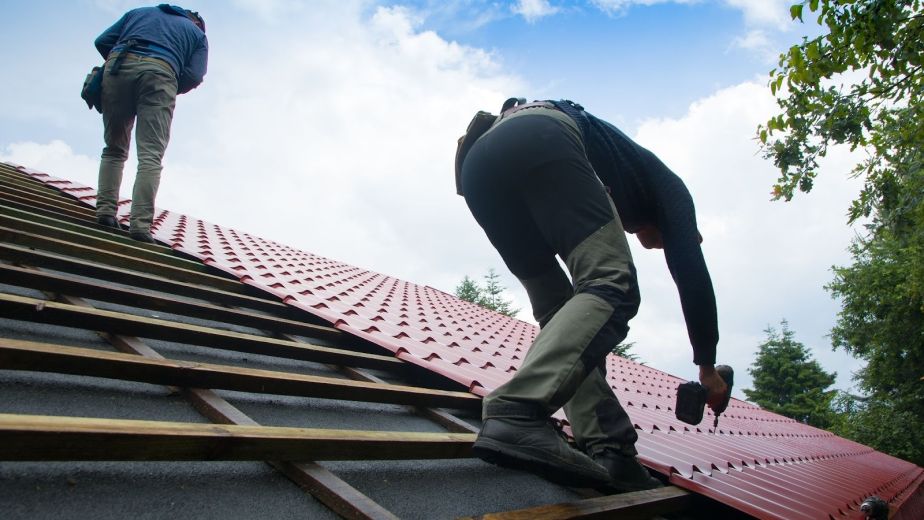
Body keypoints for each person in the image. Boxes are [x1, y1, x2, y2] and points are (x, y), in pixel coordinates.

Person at [459, 99, 729, 491]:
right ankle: (517, 409)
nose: (658, 244)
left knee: (558, 309)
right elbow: (691, 272)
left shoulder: (615, 182)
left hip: (479, 168)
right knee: (613, 282)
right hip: (540, 135)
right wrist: (708, 367)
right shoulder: (671, 192)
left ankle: (611, 450)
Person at [93, 4, 208, 243]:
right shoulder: (197, 35)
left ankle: (104, 212)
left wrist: (123, 62)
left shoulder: (139, 13)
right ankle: (140, 226)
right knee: (150, 156)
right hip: (161, 75)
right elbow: (195, 75)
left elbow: (103, 40)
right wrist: (171, 81)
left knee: (114, 149)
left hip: (117, 68)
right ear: (196, 22)